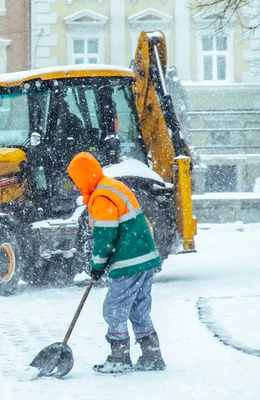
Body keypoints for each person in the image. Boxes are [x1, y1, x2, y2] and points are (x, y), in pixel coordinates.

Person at [67, 152, 166, 374]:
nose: (74, 187)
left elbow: (105, 236)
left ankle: (119, 357)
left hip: (128, 261)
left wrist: (96, 265)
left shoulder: (101, 197)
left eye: (75, 181)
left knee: (115, 309)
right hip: (146, 258)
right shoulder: (112, 186)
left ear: (83, 177)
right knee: (139, 308)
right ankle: (152, 355)